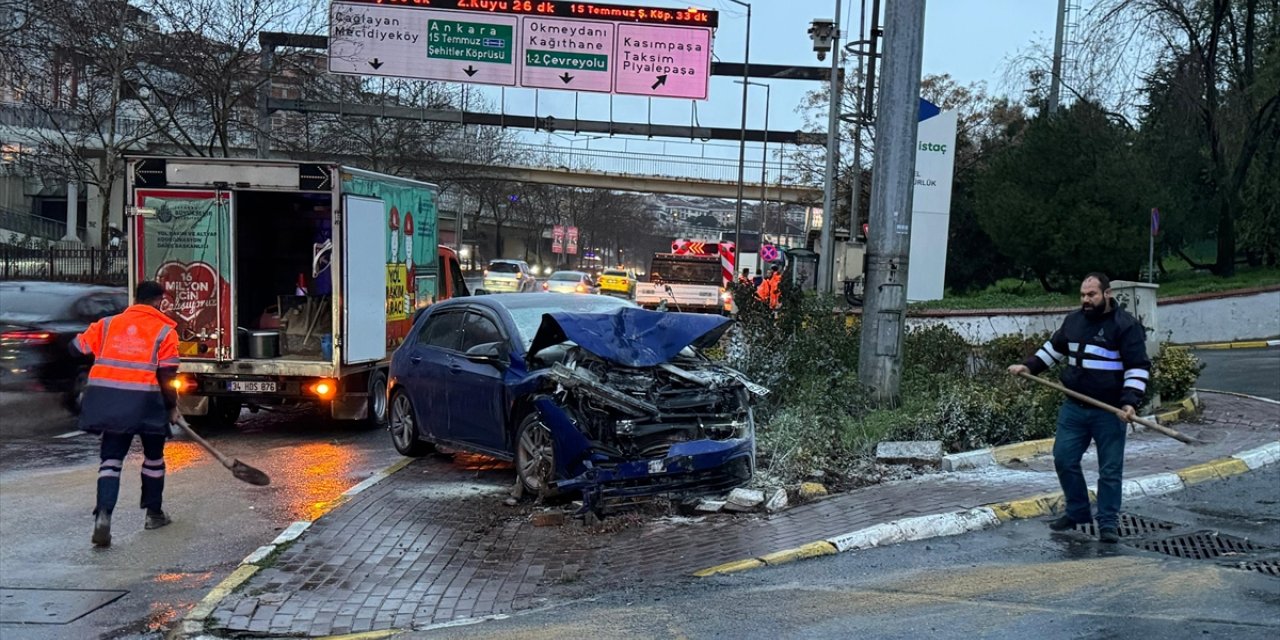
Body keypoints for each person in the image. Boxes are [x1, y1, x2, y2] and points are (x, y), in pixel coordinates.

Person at [1007, 273, 1150, 544]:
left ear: (1107, 294)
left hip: (1109, 411)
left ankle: (1107, 523)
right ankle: (1078, 511)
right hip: (1074, 407)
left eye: (1091, 295)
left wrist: (1130, 402)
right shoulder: (1073, 321)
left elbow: (1137, 367)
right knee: (1063, 459)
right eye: (1083, 295)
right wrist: (1029, 366)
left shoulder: (1125, 326)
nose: (1086, 300)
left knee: (1109, 470)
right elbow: (1053, 349)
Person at [73, 280, 181, 547]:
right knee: (153, 459)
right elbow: (167, 376)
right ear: (159, 301)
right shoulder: (166, 331)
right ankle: (153, 514)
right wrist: (172, 407)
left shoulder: (107, 325)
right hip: (147, 401)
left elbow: (76, 348)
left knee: (111, 460)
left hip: (110, 401)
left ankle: (103, 515)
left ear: (136, 298)